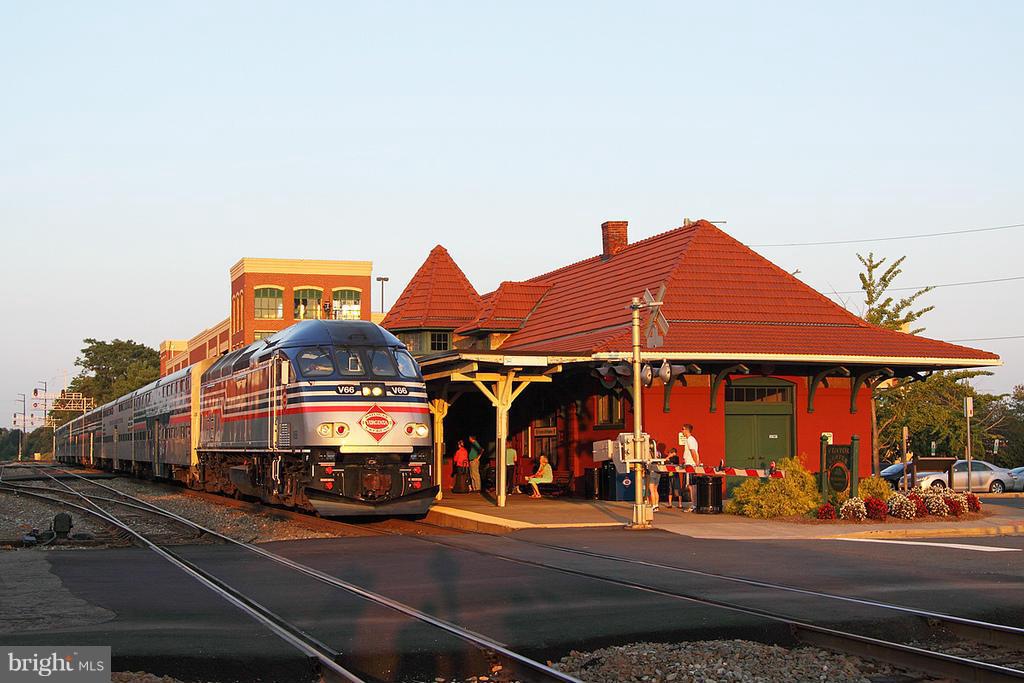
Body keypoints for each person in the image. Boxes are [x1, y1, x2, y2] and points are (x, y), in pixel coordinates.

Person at [680, 423, 700, 511]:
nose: (681, 431)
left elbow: (693, 452)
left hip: (690, 465)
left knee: (691, 486)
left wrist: (696, 463)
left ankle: (694, 505)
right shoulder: (690, 440)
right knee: (692, 485)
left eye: (683, 429)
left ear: (687, 430)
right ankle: (694, 504)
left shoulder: (690, 440)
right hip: (690, 464)